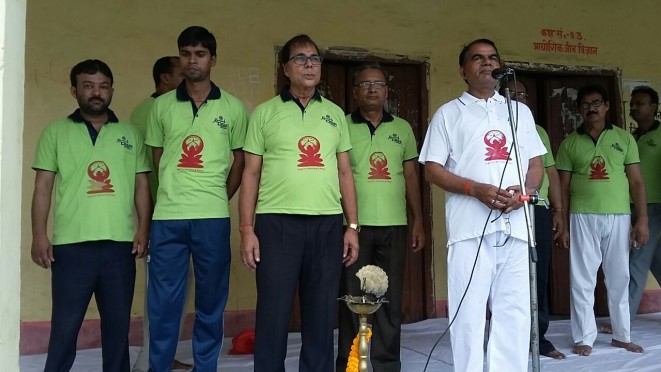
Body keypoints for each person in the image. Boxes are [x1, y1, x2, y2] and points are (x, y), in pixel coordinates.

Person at [419, 39, 545, 371]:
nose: (487, 63)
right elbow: (431, 168)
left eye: (493, 58)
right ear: (463, 71)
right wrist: (474, 189)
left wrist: (526, 191)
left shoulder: (520, 112)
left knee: (515, 313)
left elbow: (535, 165)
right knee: (468, 315)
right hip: (469, 230)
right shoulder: (448, 114)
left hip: (517, 227)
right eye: (477, 58)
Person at [239, 34, 359, 372]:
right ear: (285, 69)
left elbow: (346, 173)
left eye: (315, 58)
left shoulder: (336, 115)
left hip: (326, 224)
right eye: (301, 58)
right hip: (276, 224)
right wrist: (247, 229)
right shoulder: (265, 113)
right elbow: (250, 174)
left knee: (321, 313)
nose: (309, 64)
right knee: (274, 312)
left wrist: (351, 226)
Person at [31, 59, 151, 372]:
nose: (96, 92)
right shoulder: (55, 132)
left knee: (117, 330)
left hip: (119, 246)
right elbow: (43, 187)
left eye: (103, 86)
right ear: (74, 90)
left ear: (112, 90)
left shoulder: (129, 134)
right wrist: (40, 234)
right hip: (71, 246)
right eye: (88, 85)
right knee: (65, 328)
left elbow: (141, 186)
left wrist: (143, 230)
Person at [145, 26, 248, 371]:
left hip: (212, 217)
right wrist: (173, 190)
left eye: (200, 54)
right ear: (180, 57)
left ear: (212, 59)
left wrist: (221, 195)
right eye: (186, 54)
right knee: (163, 304)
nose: (193, 60)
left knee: (210, 303)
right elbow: (158, 158)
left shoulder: (233, 107)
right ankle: (159, 366)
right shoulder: (160, 107)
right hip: (168, 217)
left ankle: (206, 367)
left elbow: (241, 160)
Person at [335, 63, 425, 372]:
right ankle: (350, 365)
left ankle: (387, 365)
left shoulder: (402, 129)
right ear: (355, 91)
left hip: (394, 226)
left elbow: (411, 178)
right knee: (351, 300)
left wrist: (418, 221)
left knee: (387, 300)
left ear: (386, 91)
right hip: (353, 227)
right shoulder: (342, 125)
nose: (372, 89)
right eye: (365, 84)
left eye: (378, 84)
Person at [556, 84, 648, 356]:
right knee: (582, 279)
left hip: (619, 215)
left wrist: (641, 219)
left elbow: (637, 182)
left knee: (619, 277)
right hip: (582, 216)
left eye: (597, 103)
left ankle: (622, 335)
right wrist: (561, 220)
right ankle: (584, 337)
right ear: (579, 110)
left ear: (607, 106)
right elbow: (562, 186)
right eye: (585, 104)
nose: (591, 108)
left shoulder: (624, 139)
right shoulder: (570, 142)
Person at [129, 56, 192, 372]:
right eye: (182, 74)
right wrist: (147, 221)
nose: (189, 78)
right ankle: (148, 361)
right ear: (166, 79)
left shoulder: (151, 109)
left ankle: (161, 356)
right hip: (158, 215)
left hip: (169, 213)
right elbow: (145, 171)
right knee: (162, 291)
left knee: (174, 288)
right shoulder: (154, 111)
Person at [500, 80, 566, 359]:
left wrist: (559, 211)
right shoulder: (491, 126)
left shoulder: (536, 130)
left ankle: (538, 336)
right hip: (501, 207)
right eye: (511, 94)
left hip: (535, 208)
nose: (517, 99)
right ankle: (506, 337)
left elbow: (550, 173)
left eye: (521, 95)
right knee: (503, 276)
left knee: (536, 274)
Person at [627, 86, 661, 321]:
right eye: (633, 103)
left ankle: (624, 319)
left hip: (653, 207)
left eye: (640, 103)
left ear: (654, 108)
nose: (634, 107)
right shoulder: (630, 138)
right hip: (631, 205)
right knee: (657, 260)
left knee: (637, 261)